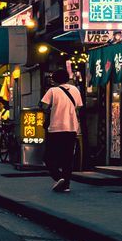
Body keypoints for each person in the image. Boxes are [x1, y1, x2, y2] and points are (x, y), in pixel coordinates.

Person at [41, 64, 84, 192]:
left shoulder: (52, 91)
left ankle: (58, 177)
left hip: (55, 128)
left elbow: (43, 106)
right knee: (67, 157)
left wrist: (53, 109)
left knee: (48, 157)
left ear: (54, 79)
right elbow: (79, 106)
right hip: (71, 128)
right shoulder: (75, 90)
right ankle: (66, 185)